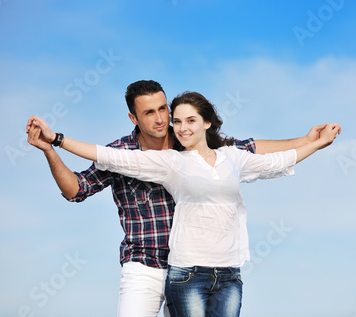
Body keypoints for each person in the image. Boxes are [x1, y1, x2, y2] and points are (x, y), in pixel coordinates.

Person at [26, 80, 338, 317]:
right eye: (149, 112)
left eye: (164, 109)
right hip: (144, 265)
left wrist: (306, 140)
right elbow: (76, 189)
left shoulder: (189, 140)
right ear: (133, 117)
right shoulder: (121, 153)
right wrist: (51, 147)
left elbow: (250, 151)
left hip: (195, 267)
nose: (161, 119)